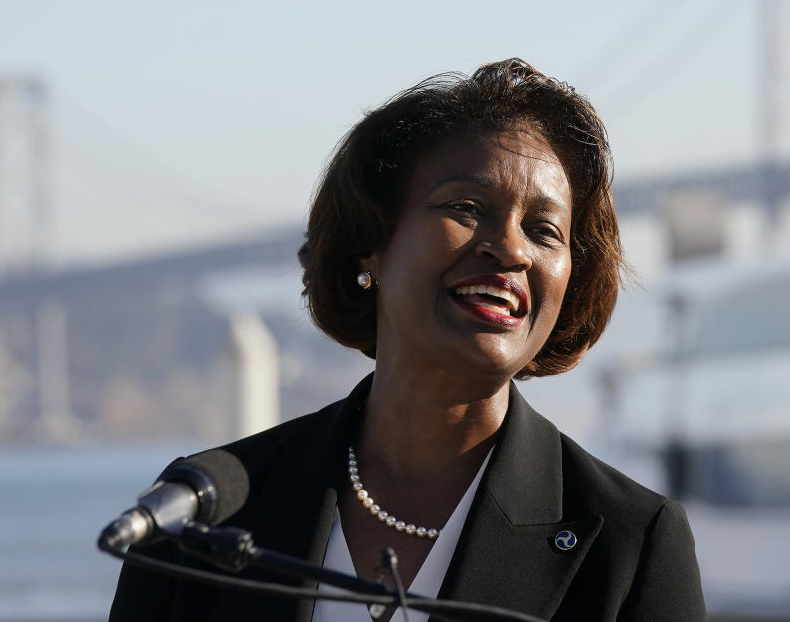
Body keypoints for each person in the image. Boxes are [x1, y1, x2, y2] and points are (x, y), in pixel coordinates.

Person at [109, 58, 705, 622]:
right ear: (371, 242)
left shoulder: (631, 544)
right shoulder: (200, 510)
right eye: (467, 207)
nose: (513, 249)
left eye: (544, 230)